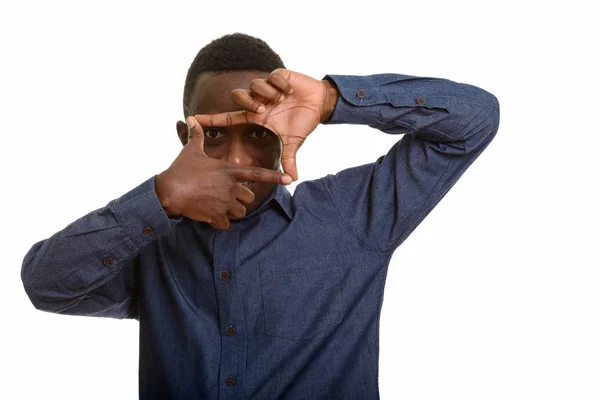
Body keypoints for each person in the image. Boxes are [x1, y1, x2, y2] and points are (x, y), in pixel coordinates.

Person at [21, 33, 500, 399]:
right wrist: (162, 197)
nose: (235, 160)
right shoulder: (150, 240)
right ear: (182, 136)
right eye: (214, 134)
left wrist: (334, 101)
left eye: (257, 133)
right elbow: (46, 285)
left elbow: (475, 119)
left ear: (284, 134)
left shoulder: (353, 217)